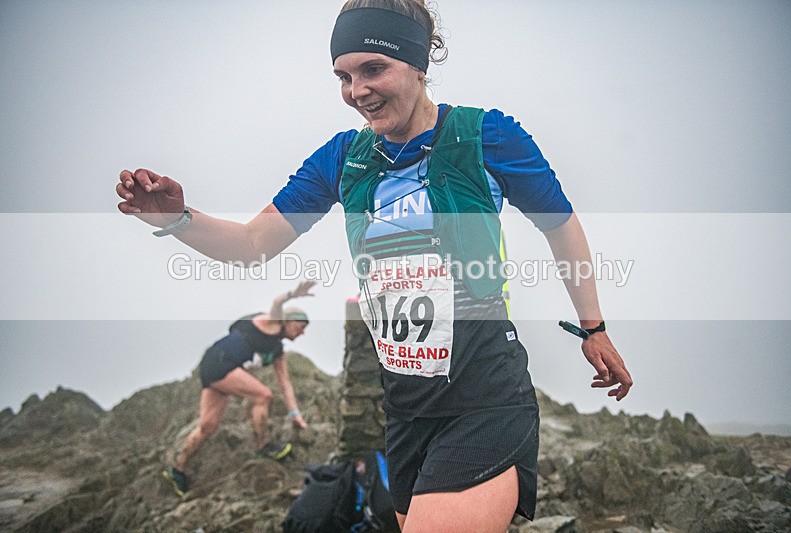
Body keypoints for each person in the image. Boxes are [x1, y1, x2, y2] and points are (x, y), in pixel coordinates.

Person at [118, 0, 633, 529]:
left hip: (483, 398)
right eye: (343, 75)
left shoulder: (486, 137)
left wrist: (593, 328)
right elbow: (252, 245)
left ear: (418, 65)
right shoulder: (343, 159)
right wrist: (178, 217)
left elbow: (560, 224)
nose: (355, 90)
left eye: (373, 69)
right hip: (406, 410)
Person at [162, 281, 313, 497]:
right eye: (302, 327)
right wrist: (294, 294)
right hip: (220, 362)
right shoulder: (272, 323)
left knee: (208, 426)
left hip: (214, 368)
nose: (302, 333)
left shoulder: (278, 351)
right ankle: (263, 446)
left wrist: (295, 414)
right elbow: (277, 302)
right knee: (263, 395)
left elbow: (285, 384)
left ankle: (178, 469)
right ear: (289, 321)